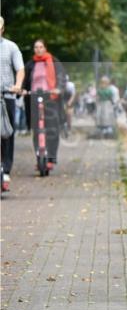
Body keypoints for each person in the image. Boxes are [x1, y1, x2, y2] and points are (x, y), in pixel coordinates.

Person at [23, 39, 68, 172]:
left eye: (41, 47)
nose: (38, 49)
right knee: (37, 130)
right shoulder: (31, 64)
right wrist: (23, 90)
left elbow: (61, 77)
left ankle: (51, 158)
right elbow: (24, 79)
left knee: (52, 129)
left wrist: (59, 88)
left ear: (45, 48)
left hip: (51, 97)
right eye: (36, 47)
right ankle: (39, 156)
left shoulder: (53, 61)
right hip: (34, 97)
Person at [1, 17, 25, 193]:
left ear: (2, 29)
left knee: (7, 132)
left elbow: (20, 69)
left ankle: (6, 169)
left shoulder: (11, 47)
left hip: (6, 95)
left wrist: (17, 85)